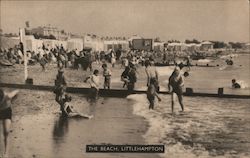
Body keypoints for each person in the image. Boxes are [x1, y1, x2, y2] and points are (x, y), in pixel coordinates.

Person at [0, 89, 19, 157]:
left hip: (6, 111)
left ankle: (6, 153)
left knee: (6, 132)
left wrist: (12, 101)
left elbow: (17, 91)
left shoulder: (7, 96)